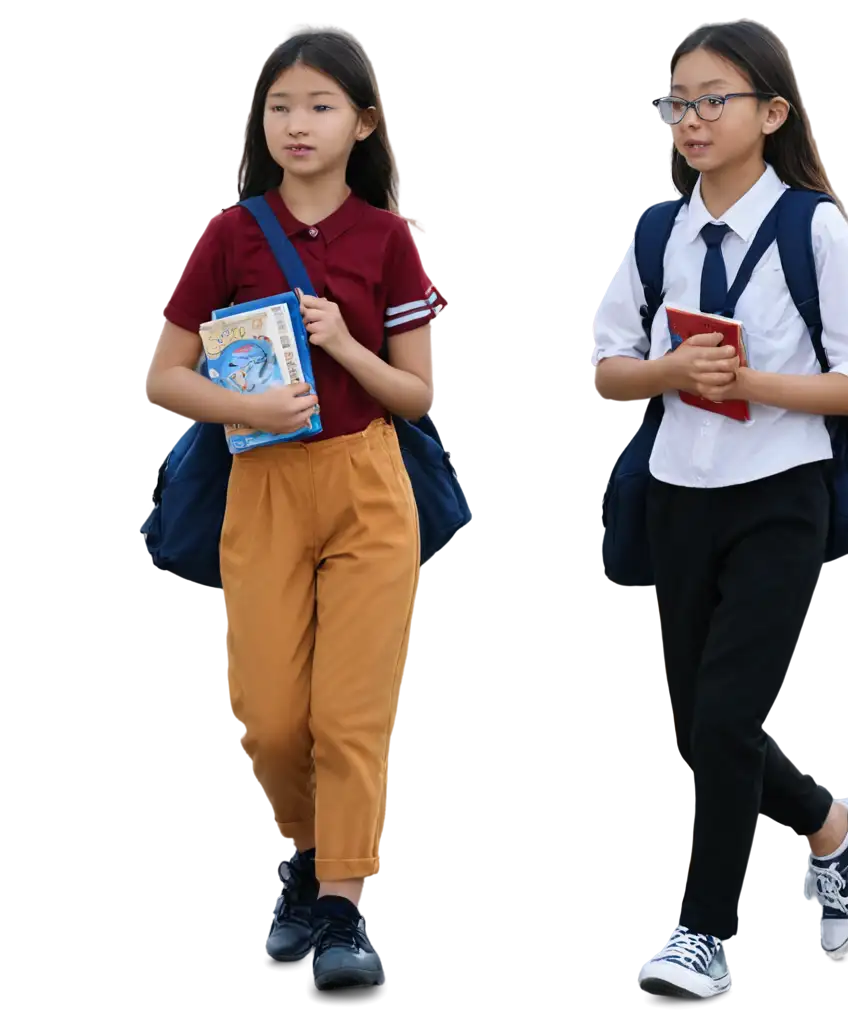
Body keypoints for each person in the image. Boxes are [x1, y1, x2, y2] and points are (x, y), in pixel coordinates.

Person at [590, 18, 848, 1000]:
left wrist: (760, 382)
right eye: (678, 101)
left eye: (713, 98)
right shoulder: (654, 231)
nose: (691, 118)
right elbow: (604, 367)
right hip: (679, 496)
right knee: (698, 724)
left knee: (725, 717)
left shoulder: (812, 227)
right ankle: (834, 828)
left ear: (770, 112)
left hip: (778, 496)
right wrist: (667, 370)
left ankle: (703, 932)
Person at [144, 20, 444, 993]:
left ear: (361, 123)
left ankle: (345, 914)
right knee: (271, 715)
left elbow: (417, 392)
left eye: (319, 106)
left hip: (366, 484)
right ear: (260, 122)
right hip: (263, 483)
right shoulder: (229, 236)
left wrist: (348, 347)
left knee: (347, 715)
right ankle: (307, 863)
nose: (297, 123)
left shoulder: (390, 242)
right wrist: (247, 408)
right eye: (280, 106)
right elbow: (164, 376)